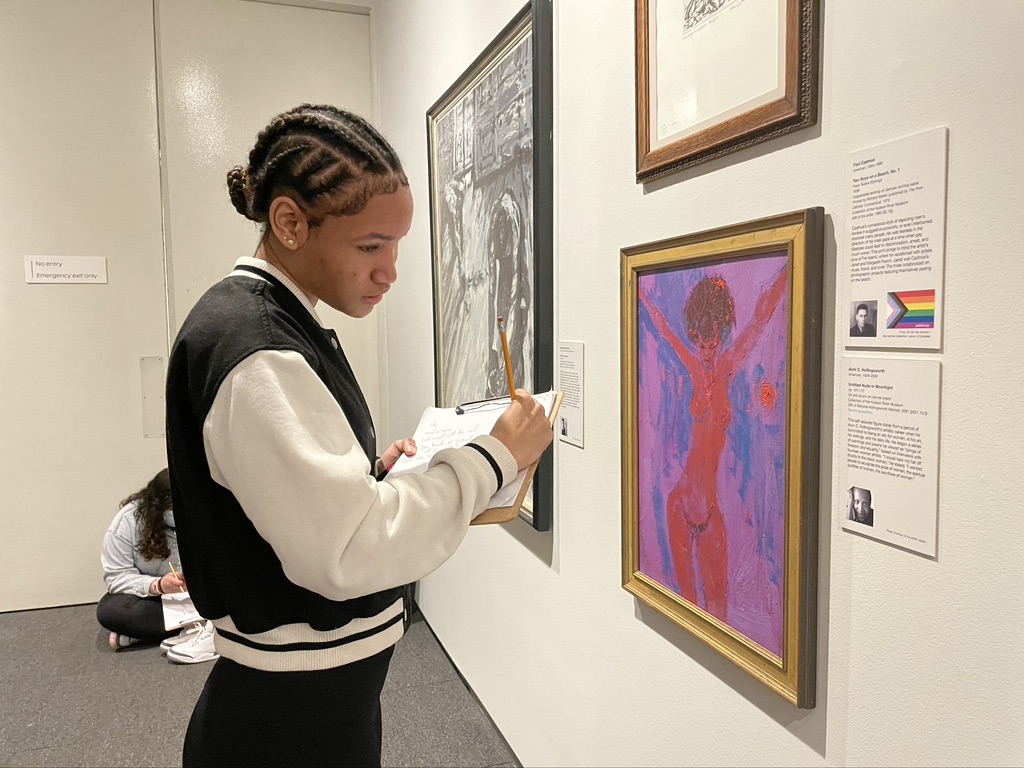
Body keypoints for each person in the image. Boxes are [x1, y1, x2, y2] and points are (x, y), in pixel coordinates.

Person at [164, 104, 553, 767]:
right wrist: (494, 456)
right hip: (288, 723)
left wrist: (369, 476)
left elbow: (288, 504)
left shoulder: (273, 323)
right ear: (289, 222)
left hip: (310, 703)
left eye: (397, 246)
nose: (389, 271)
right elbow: (349, 550)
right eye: (371, 246)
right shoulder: (259, 348)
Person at [639, 267, 787, 622]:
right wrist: (637, 290)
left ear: (721, 335)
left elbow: (760, 318)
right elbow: (660, 325)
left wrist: (785, 276)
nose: (707, 351)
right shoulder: (691, 366)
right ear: (694, 337)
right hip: (680, 508)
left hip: (710, 514)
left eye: (713, 343)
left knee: (718, 616)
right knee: (687, 612)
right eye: (701, 344)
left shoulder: (728, 366)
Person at [97, 468, 217, 663]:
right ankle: (200, 625)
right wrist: (158, 585)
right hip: (158, 599)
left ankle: (157, 631)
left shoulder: (206, 512)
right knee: (110, 610)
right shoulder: (128, 521)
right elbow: (115, 578)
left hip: (201, 595)